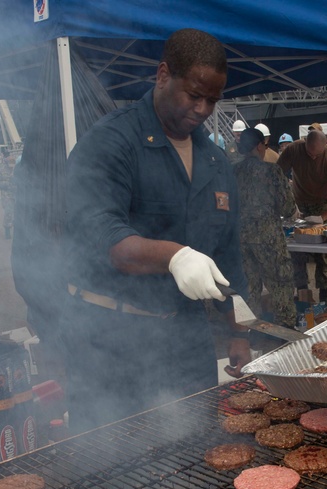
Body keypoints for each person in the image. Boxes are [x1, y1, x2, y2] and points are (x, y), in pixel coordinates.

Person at [60, 28, 250, 433]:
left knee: (196, 445)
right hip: (111, 336)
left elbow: (228, 251)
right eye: (193, 95)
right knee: (110, 460)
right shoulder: (111, 141)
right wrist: (175, 255)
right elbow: (103, 235)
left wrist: (238, 332)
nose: (202, 109)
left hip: (185, 334)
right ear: (163, 75)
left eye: (212, 100)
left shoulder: (215, 161)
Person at [233, 127, 297, 329]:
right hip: (268, 236)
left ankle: (250, 331)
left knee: (249, 285)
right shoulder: (271, 171)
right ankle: (285, 329)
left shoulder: (232, 171)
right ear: (260, 145)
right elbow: (287, 208)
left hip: (240, 236)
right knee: (280, 280)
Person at [277, 130, 327, 304]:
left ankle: (324, 297)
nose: (313, 157)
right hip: (299, 204)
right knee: (296, 252)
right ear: (305, 144)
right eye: (310, 153)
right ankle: (303, 294)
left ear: (325, 146)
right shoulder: (293, 150)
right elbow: (275, 176)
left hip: (323, 203)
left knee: (323, 253)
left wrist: (323, 217)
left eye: (317, 154)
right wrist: (288, 204)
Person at [0, 148, 16, 239]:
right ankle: (7, 229)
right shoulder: (0, 167)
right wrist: (8, 184)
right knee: (8, 212)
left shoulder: (16, 166)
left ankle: (17, 230)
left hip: (16, 193)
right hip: (7, 194)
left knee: (17, 212)